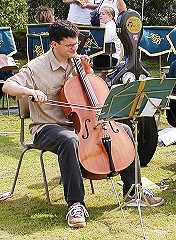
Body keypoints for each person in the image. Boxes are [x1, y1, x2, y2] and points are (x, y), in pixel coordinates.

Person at [2, 20, 164, 228]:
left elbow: (93, 93)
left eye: (76, 44)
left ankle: (133, 190)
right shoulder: (36, 67)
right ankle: (76, 204)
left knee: (123, 130)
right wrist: (30, 92)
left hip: (79, 125)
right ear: (54, 45)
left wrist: (87, 72)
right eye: (69, 45)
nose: (75, 49)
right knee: (69, 140)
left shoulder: (76, 62)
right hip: (47, 127)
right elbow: (8, 85)